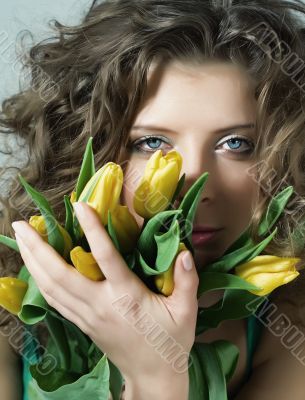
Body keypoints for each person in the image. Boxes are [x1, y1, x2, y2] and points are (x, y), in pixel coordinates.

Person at [1, 0, 305, 398]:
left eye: (236, 143)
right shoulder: (12, 297)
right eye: (151, 142)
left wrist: (157, 375)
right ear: (87, 148)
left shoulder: (289, 324)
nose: (195, 190)